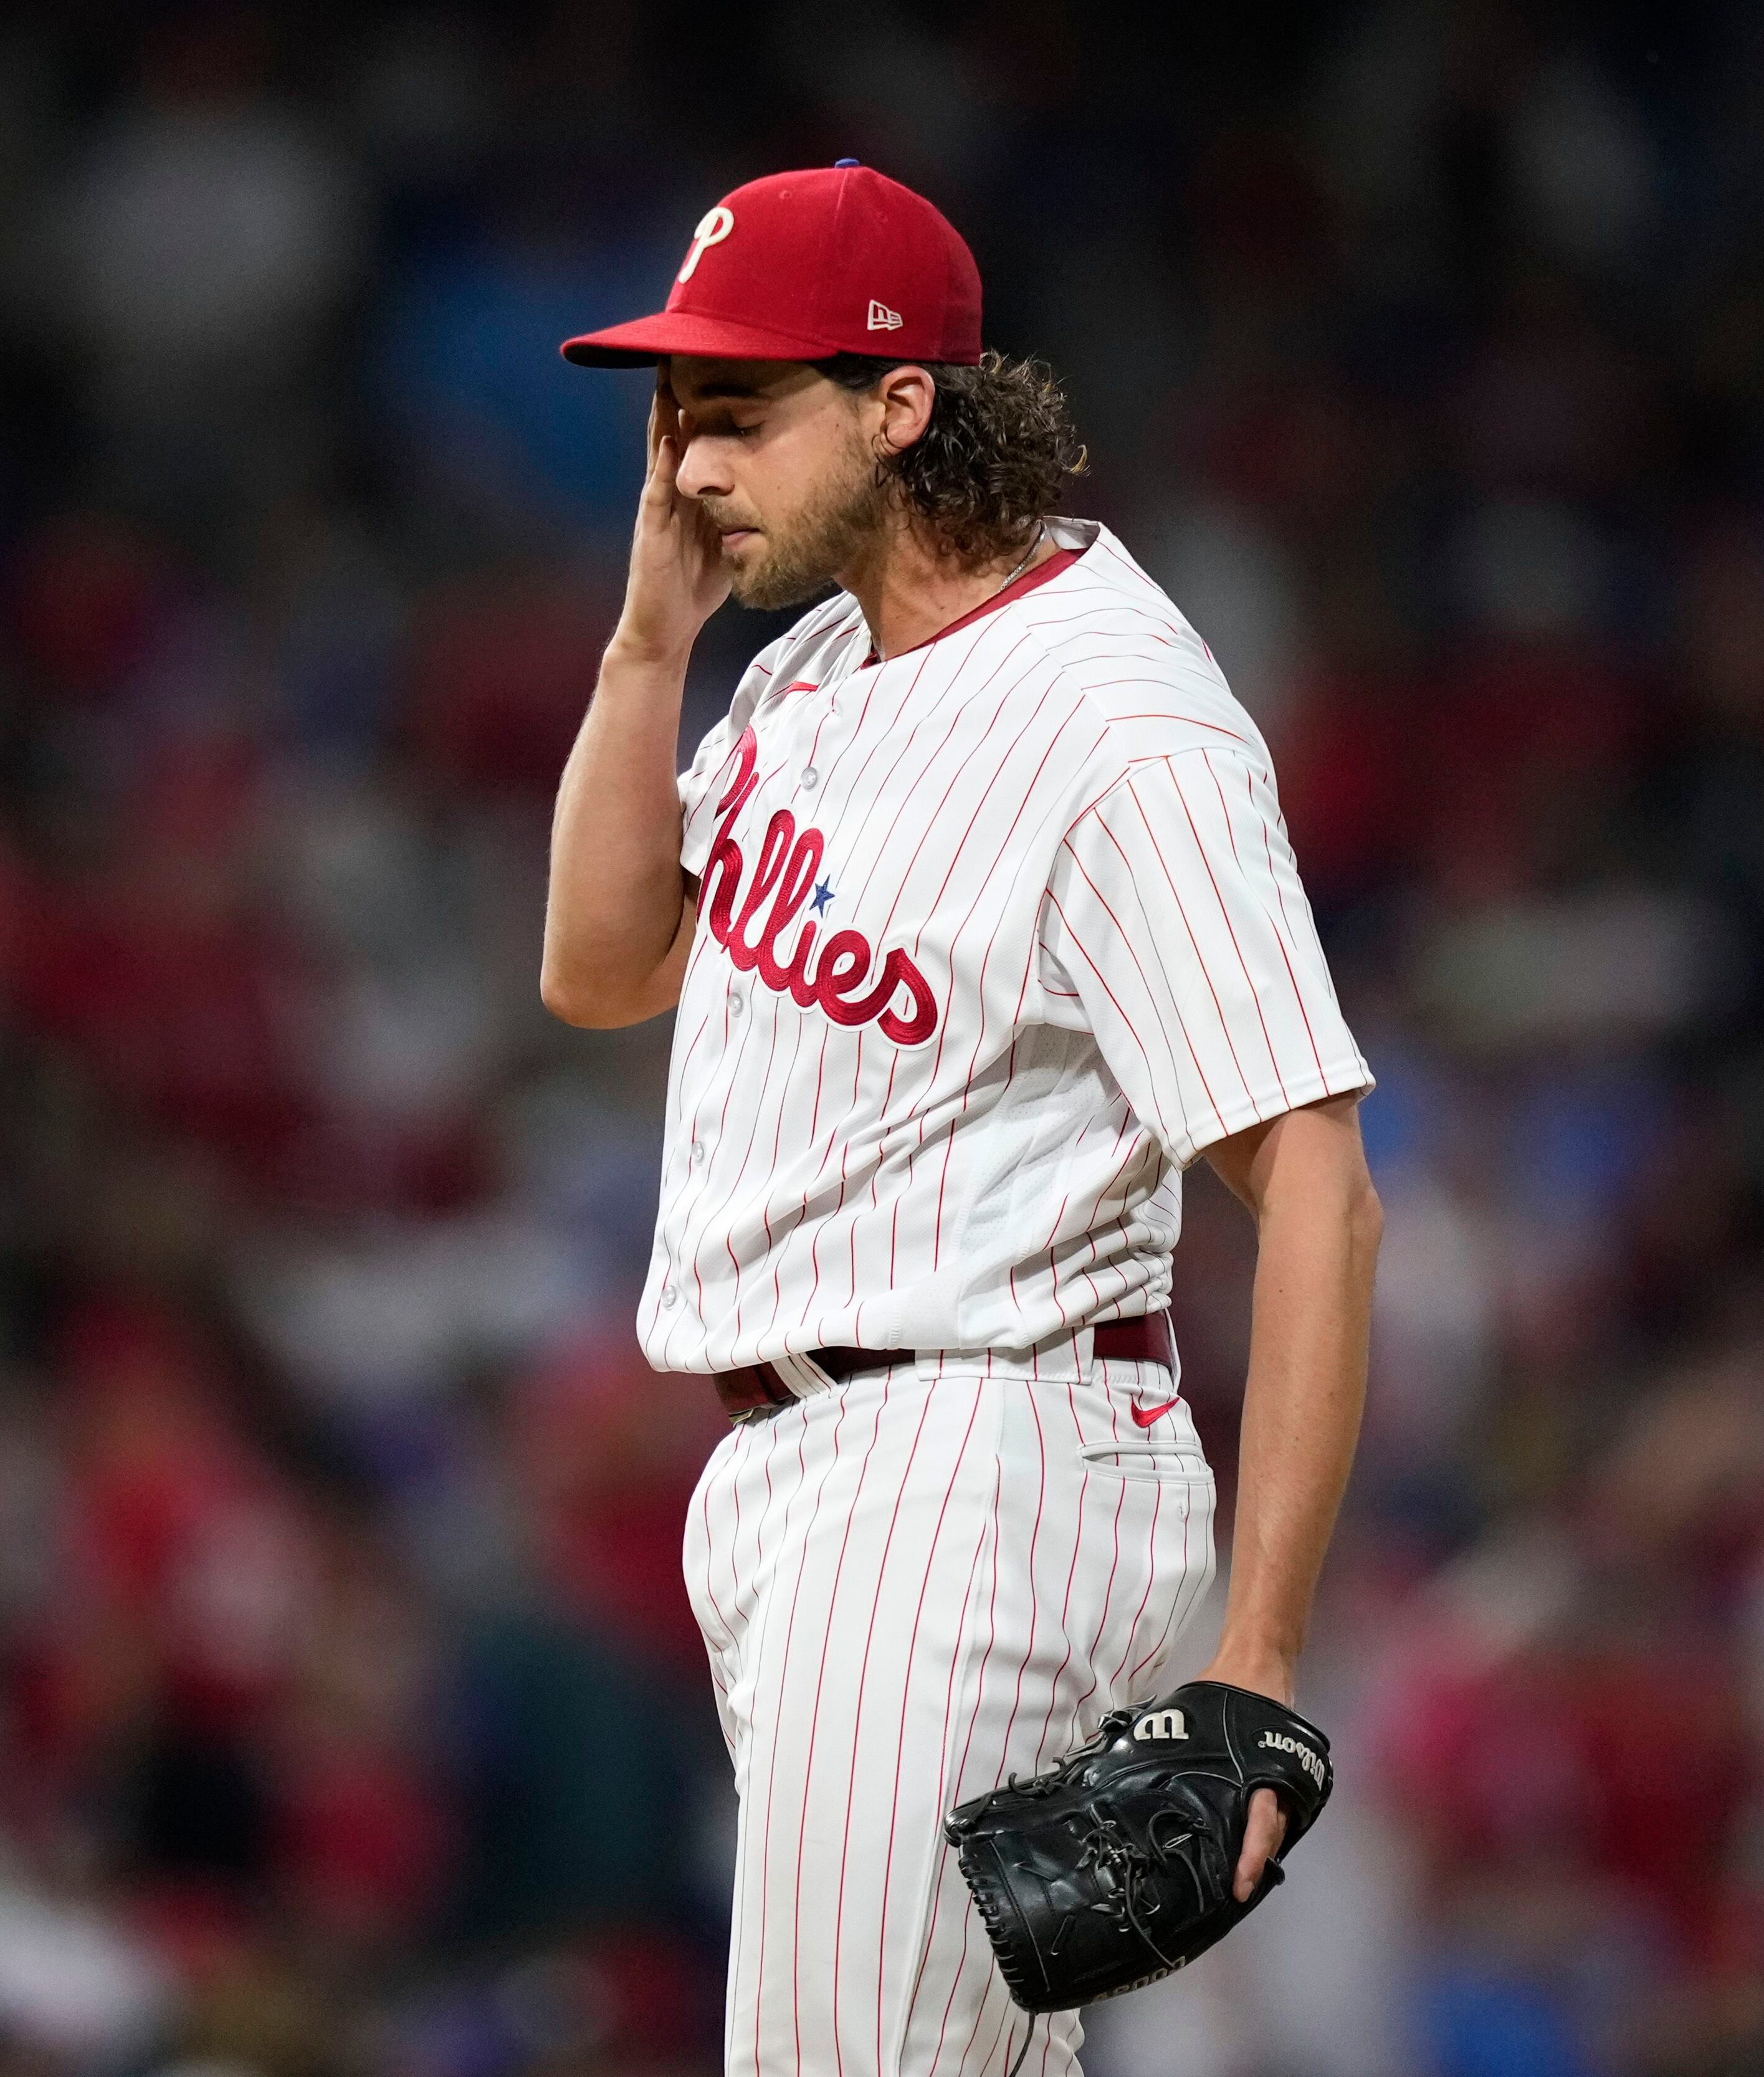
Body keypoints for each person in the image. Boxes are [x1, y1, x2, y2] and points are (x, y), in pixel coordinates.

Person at [539, 161, 1383, 2076]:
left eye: (738, 411)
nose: (687, 464)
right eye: (675, 412)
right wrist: (650, 643)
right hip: (813, 1478)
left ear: (902, 401)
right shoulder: (821, 657)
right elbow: (599, 971)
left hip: (969, 1465)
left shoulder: (1118, 724)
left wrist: (1259, 1660)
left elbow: (1319, 1189)